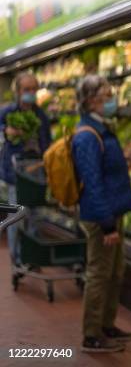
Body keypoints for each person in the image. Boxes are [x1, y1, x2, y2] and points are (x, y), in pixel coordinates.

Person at [72, 75, 131, 353]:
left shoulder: (101, 128)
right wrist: (108, 224)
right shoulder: (87, 135)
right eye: (107, 95)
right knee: (99, 274)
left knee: (114, 273)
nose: (112, 100)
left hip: (113, 212)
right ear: (90, 101)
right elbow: (93, 184)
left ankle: (107, 325)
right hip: (102, 219)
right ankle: (92, 335)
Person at [0, 72, 51, 264]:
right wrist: (6, 131)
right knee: (16, 217)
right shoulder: (7, 113)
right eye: (26, 89)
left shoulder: (42, 116)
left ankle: (33, 256)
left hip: (36, 172)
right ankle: (17, 258)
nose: (31, 93)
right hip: (15, 174)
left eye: (33, 89)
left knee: (36, 216)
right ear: (18, 92)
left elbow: (48, 144)